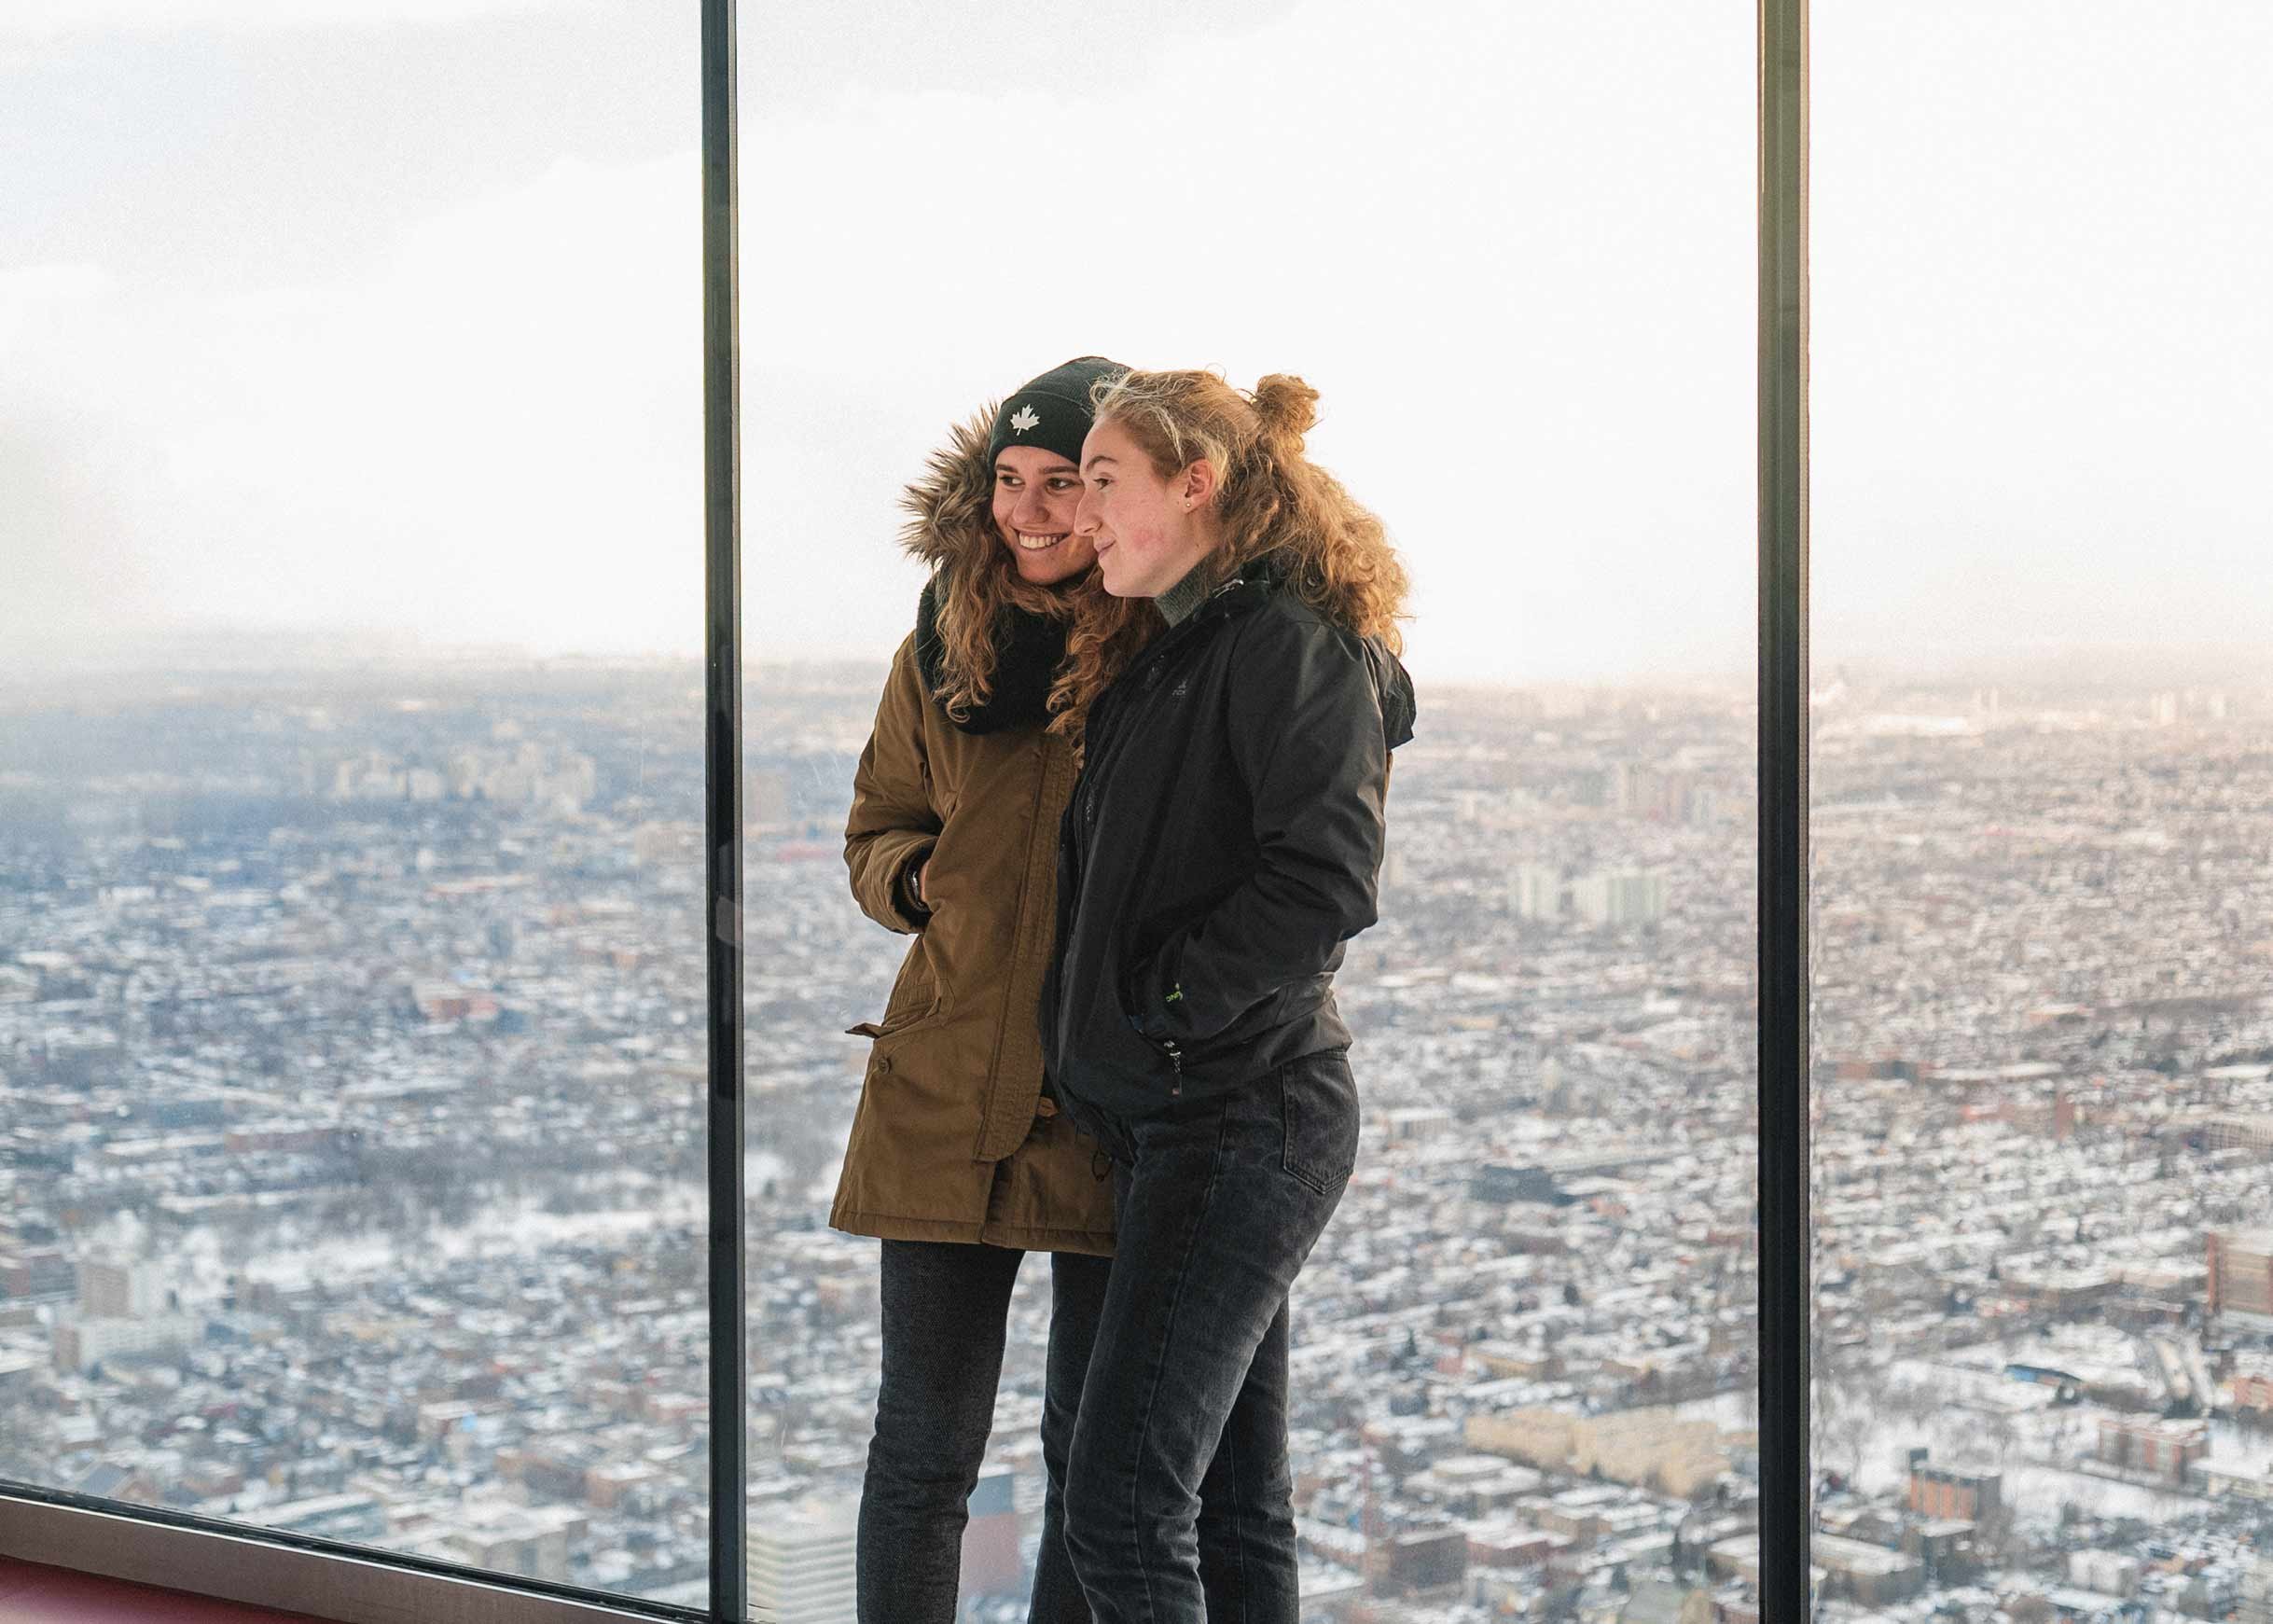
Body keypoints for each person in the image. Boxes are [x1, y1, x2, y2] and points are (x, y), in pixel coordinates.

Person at [1042, 368, 1417, 1621]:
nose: (1083, 514)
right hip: (1191, 1112)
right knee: (1229, 1508)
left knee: (1119, 1505)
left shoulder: (1283, 645)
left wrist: (1164, 1012)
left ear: (1194, 482)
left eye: (1103, 481)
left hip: (1238, 1111)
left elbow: (1322, 877)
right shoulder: (1182, 651)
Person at [837, 356, 1154, 1622]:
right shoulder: (937, 643)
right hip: (946, 1072)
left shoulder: (1172, 652)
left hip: (1103, 1090)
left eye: (1064, 482)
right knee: (920, 1453)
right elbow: (875, 829)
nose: (1026, 511)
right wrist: (924, 886)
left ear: (1119, 495)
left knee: (1093, 1463)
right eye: (1008, 481)